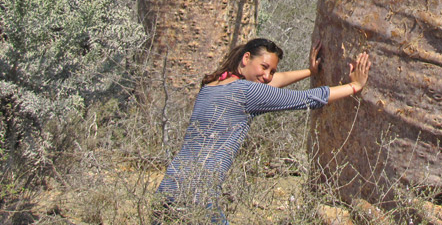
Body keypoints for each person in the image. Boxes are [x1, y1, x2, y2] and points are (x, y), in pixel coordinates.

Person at [154, 37, 371, 224]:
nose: (267, 75)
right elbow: (305, 99)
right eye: (264, 67)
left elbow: (269, 84)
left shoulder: (211, 86)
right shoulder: (246, 92)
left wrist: (309, 71)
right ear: (246, 59)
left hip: (167, 189)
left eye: (272, 71)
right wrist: (354, 86)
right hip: (197, 196)